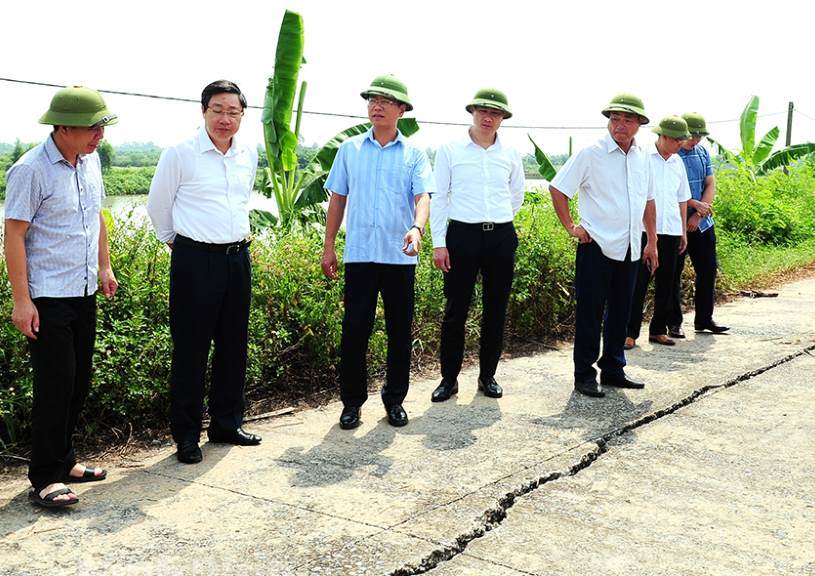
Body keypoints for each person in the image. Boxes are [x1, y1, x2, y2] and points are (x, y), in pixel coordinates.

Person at [4, 86, 118, 507]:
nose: (99, 136)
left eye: (102, 127)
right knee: (54, 386)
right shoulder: (30, 169)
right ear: (63, 127)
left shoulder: (88, 164)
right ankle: (45, 477)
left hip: (83, 290)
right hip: (47, 297)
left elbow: (98, 217)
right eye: (92, 128)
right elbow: (13, 235)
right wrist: (22, 300)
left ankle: (65, 459)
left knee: (77, 383)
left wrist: (104, 266)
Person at [147, 80, 261, 464]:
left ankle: (227, 423)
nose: (225, 119)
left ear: (243, 115)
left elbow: (242, 198)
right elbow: (158, 205)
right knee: (191, 350)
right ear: (203, 112)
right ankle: (185, 435)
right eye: (218, 110)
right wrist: (177, 245)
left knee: (234, 345)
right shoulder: (180, 154)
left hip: (236, 258)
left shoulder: (248, 153)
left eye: (233, 112)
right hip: (194, 259)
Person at [321, 74, 433, 429]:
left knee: (400, 331)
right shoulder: (350, 150)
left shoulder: (414, 154)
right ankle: (352, 402)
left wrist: (417, 229)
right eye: (372, 100)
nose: (377, 106)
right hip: (360, 257)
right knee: (355, 330)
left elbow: (423, 197)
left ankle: (395, 399)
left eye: (386, 101)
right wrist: (328, 247)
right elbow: (338, 198)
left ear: (402, 110)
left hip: (399, 258)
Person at [549, 93, 658, 398]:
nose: (620, 125)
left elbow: (648, 200)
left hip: (631, 247)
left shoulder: (641, 158)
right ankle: (584, 374)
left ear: (639, 124)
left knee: (621, 313)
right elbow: (558, 188)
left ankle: (613, 369)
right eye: (615, 119)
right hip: (596, 245)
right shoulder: (591, 153)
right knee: (590, 313)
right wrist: (571, 226)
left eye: (627, 119)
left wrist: (652, 242)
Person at [429, 88, 524, 402]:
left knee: (496, 310)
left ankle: (488, 376)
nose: (488, 117)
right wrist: (439, 243)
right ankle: (449, 380)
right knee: (456, 311)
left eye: (495, 113)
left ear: (502, 118)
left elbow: (516, 195)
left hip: (500, 236)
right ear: (472, 112)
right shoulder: (451, 150)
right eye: (483, 110)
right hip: (462, 237)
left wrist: (496, 219)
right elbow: (439, 197)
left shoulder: (510, 155)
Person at [626, 116, 691, 349]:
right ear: (662, 137)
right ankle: (629, 332)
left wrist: (683, 230)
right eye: (676, 141)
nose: (679, 145)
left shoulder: (677, 163)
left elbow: (682, 198)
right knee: (639, 282)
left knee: (667, 282)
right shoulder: (643, 157)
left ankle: (658, 330)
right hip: (645, 230)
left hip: (672, 229)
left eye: (681, 141)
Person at [667, 113, 729, 337]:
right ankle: (673, 322)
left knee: (708, 269)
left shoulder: (702, 152)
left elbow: (710, 183)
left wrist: (699, 215)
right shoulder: (671, 156)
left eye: (699, 136)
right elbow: (667, 190)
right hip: (676, 223)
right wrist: (690, 210)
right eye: (692, 136)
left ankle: (704, 319)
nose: (695, 140)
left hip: (702, 223)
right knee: (673, 273)